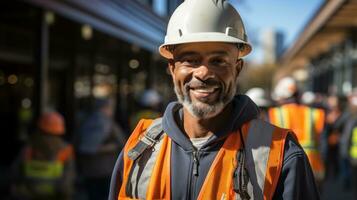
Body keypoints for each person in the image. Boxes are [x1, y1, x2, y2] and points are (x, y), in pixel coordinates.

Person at [109, 0, 319, 199]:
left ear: (237, 69)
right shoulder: (139, 148)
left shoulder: (282, 154)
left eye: (218, 60)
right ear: (172, 68)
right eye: (190, 60)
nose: (203, 72)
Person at [269, 77, 326, 186]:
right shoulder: (315, 113)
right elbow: (324, 144)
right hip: (313, 168)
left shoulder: (274, 114)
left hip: (283, 169)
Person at [11, 111, 75, 200]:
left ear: (39, 128)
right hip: (55, 195)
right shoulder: (65, 149)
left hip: (29, 194)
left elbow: (15, 173)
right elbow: (68, 178)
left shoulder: (29, 148)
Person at [77, 98, 127, 200]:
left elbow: (77, 143)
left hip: (88, 170)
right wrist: (111, 147)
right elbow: (124, 144)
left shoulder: (85, 121)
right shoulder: (107, 123)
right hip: (105, 170)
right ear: (106, 108)